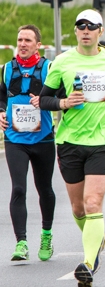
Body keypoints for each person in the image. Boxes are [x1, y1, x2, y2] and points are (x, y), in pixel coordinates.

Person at [38, 10, 105, 287]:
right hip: (69, 141)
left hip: (102, 141)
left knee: (93, 203)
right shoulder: (63, 62)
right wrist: (64, 103)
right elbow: (44, 99)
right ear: (76, 31)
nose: (86, 30)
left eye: (92, 26)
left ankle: (89, 263)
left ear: (100, 31)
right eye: (81, 26)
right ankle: (96, 237)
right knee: (79, 208)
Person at [0, 24, 57, 261]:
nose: (22, 44)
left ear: (38, 44)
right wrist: (1, 112)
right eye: (19, 40)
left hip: (43, 138)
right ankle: (21, 242)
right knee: (18, 188)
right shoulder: (6, 69)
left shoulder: (48, 69)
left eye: (27, 40)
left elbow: (61, 98)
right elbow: (1, 97)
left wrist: (43, 101)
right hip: (15, 138)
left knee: (44, 189)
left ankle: (46, 234)